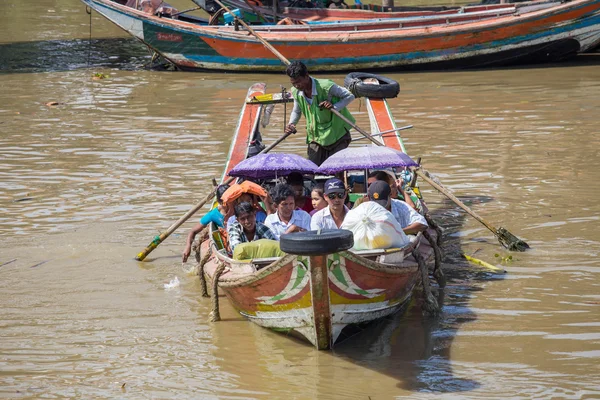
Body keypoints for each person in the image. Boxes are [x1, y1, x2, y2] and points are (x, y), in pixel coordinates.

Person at [284, 61, 356, 166]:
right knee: (311, 168)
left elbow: (350, 96)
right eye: (293, 83)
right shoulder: (296, 91)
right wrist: (291, 124)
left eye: (298, 82)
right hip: (315, 136)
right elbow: (296, 110)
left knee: (337, 169)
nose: (296, 85)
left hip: (337, 134)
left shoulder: (326, 86)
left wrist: (334, 107)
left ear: (307, 76)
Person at [182, 184, 229, 262]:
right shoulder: (213, 215)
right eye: (226, 201)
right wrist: (188, 246)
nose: (229, 203)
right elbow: (193, 231)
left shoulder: (238, 209)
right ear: (219, 201)